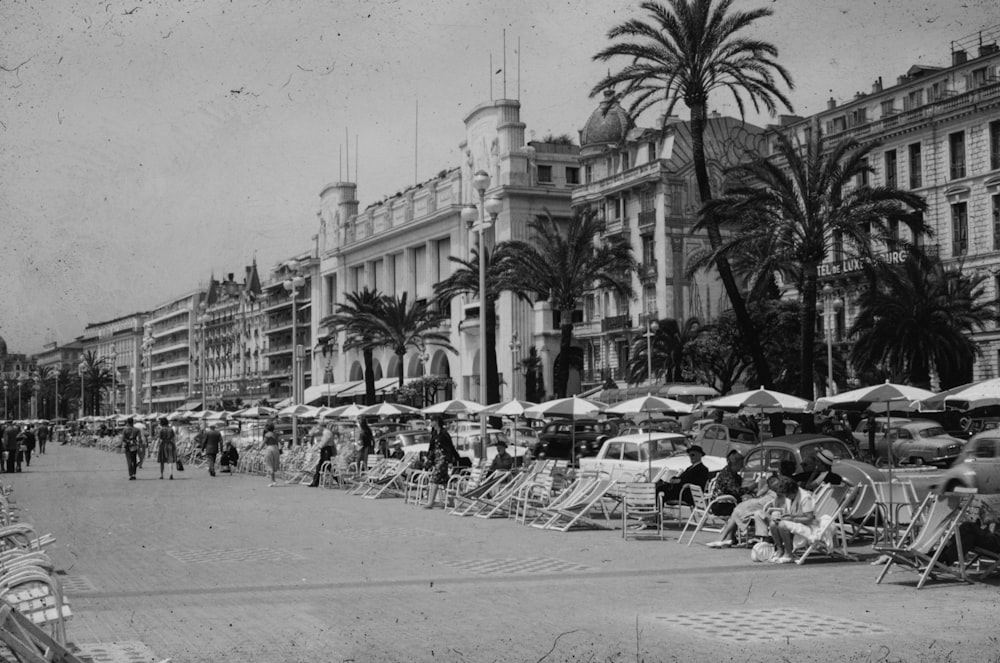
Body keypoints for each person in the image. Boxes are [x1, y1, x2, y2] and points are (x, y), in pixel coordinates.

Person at [707, 474, 783, 548]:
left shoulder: (780, 493)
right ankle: (727, 538)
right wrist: (767, 487)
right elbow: (758, 494)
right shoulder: (772, 489)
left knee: (737, 510)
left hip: (762, 506)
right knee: (737, 510)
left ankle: (725, 537)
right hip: (758, 502)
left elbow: (767, 499)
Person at [768, 477, 818, 564]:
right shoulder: (790, 497)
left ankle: (789, 554)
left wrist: (792, 519)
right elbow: (789, 513)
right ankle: (780, 550)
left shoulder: (806, 498)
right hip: (796, 522)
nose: (786, 497)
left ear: (793, 491)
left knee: (782, 525)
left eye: (787, 495)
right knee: (773, 524)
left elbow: (809, 519)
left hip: (808, 526)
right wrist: (781, 516)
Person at [424, 416, 458, 509]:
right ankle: (451, 501)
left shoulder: (444, 434)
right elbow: (431, 447)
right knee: (444, 480)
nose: (431, 423)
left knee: (435, 478)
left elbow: (450, 447)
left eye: (432, 421)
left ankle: (430, 502)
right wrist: (428, 457)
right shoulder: (434, 433)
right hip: (436, 458)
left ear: (437, 421)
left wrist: (452, 459)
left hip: (443, 459)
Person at [709, 450, 746, 516]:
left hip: (720, 503)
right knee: (747, 508)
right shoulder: (727, 475)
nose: (742, 466)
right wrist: (753, 486)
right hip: (721, 506)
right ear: (735, 464)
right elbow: (738, 491)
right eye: (741, 464)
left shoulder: (729, 473)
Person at [307, 423, 338, 487]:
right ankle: (315, 482)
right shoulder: (325, 432)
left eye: (319, 428)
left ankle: (315, 482)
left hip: (327, 450)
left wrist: (318, 447)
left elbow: (324, 442)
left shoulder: (326, 433)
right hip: (326, 450)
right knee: (323, 466)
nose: (319, 429)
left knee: (326, 466)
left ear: (322, 427)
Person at [262, 422, 281, 486]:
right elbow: (277, 443)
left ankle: (272, 481)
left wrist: (258, 449)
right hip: (276, 448)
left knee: (269, 464)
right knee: (273, 464)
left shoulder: (267, 435)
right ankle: (274, 480)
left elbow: (263, 443)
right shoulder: (275, 434)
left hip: (269, 448)